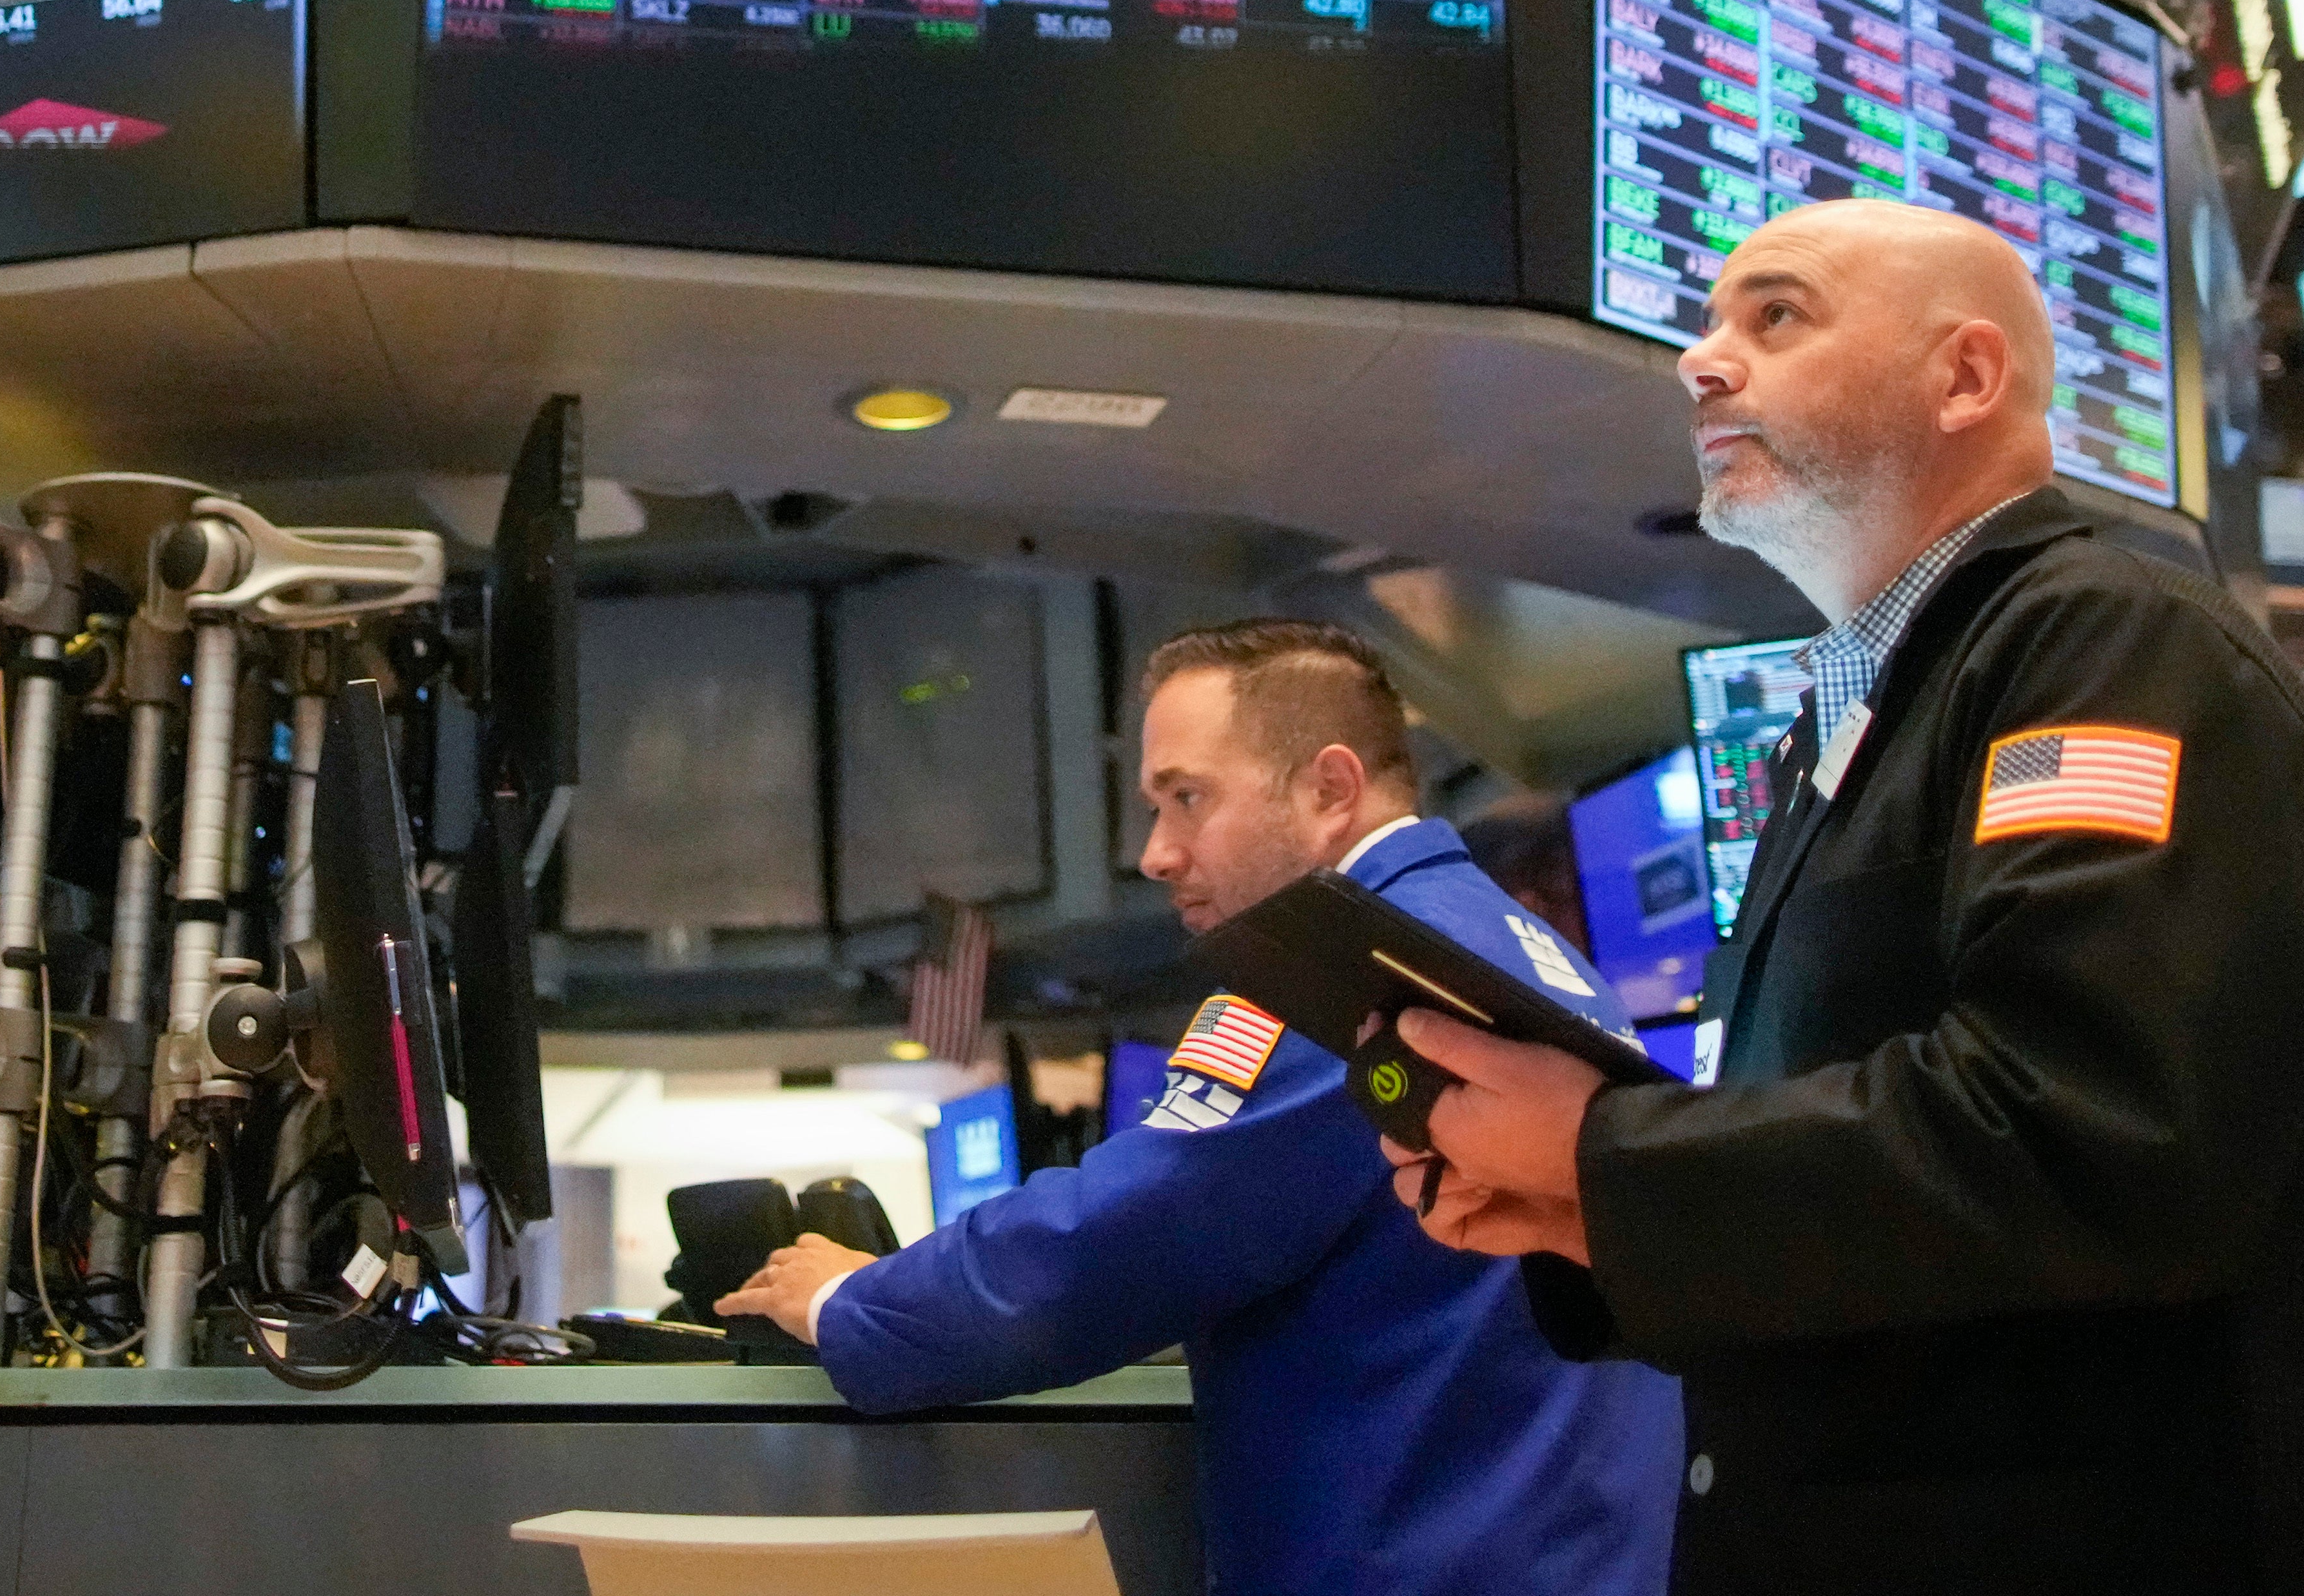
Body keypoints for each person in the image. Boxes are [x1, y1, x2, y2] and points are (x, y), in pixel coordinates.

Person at [1388, 198, 2304, 1591]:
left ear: (1966, 377)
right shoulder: (1851, 723)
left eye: (1776, 315)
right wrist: (1587, 1211)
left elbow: (2089, 1132)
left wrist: (1611, 1155)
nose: (1698, 359)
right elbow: (1897, 1230)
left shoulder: (2105, 643)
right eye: (1708, 320)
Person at [716, 620, 1682, 1596]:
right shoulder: (1518, 946)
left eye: (1189, 800)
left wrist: (851, 1302)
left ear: (1329, 790)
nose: (1156, 854)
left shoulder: (1351, 974)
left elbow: (1115, 1241)